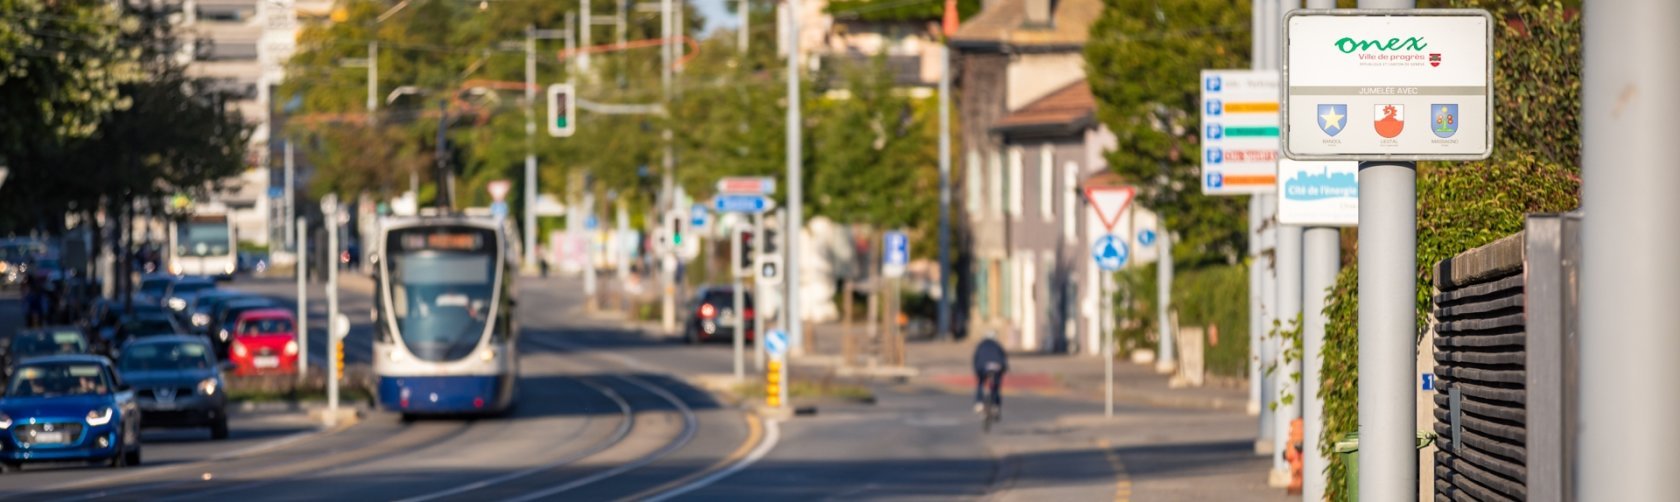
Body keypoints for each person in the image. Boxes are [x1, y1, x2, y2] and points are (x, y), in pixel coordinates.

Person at [972, 331, 1008, 414]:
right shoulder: (997, 345)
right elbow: (1003, 358)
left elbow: (976, 359)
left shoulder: (981, 345)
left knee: (980, 383)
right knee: (996, 386)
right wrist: (1004, 368)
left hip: (983, 366)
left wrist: (977, 370)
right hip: (996, 367)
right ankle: (995, 405)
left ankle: (979, 402)